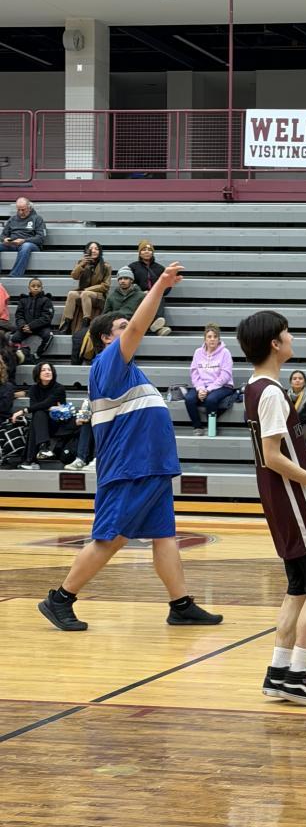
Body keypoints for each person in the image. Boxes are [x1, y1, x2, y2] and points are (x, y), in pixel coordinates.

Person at [36, 261, 224, 632]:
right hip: (130, 468)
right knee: (110, 538)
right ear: (107, 338)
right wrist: (160, 287)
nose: (130, 329)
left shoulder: (130, 371)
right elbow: (138, 325)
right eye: (121, 327)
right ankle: (60, 599)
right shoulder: (108, 362)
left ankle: (181, 605)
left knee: (164, 537)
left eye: (126, 326)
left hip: (151, 466)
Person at [237, 309, 306, 708]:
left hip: (283, 499)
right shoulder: (269, 392)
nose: (292, 338)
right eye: (287, 333)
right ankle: (298, 677)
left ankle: (278, 672)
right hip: (295, 499)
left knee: (298, 588)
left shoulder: (256, 387)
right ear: (274, 343)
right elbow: (271, 456)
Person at [18, 360, 71, 468]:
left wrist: (23, 411)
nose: (47, 372)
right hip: (41, 423)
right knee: (38, 414)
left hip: (57, 423)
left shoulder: (59, 388)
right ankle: (42, 448)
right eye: (43, 370)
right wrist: (49, 408)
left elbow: (45, 403)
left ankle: (30, 459)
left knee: (38, 414)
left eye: (49, 370)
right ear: (38, 374)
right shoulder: (33, 389)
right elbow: (38, 406)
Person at [184, 324, 236, 433]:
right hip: (203, 386)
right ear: (205, 339)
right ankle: (197, 427)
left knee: (211, 399)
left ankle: (212, 428)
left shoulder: (225, 353)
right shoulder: (198, 352)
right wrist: (200, 388)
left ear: (218, 339)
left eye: (215, 336)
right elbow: (194, 373)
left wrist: (208, 390)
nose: (212, 339)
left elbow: (225, 375)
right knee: (189, 399)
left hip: (223, 386)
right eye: (209, 336)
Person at [58, 241, 110, 332]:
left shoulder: (106, 266)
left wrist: (88, 289)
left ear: (100, 252)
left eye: (96, 249)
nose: (93, 251)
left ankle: (86, 322)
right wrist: (82, 264)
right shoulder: (82, 263)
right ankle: (66, 323)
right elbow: (74, 276)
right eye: (91, 249)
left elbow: (105, 286)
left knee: (85, 294)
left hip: (99, 295)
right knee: (71, 294)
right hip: (83, 292)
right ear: (86, 251)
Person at [129, 240, 172, 335]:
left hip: (156, 295)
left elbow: (167, 285)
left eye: (149, 250)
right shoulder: (133, 267)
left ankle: (158, 323)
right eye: (144, 250)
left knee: (159, 296)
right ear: (139, 253)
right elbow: (129, 283)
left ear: (152, 253)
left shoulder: (160, 268)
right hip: (139, 295)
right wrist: (140, 292)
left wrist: (158, 291)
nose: (147, 252)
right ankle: (159, 327)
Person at [1, 196, 47, 278]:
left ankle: (15, 275)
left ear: (29, 208)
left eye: (23, 210)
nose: (20, 212)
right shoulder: (12, 219)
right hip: (13, 243)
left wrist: (24, 240)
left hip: (30, 244)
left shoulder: (37, 219)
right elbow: (3, 235)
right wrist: (5, 239)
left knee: (26, 246)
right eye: (18, 209)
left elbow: (40, 238)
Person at [11, 277, 54, 359]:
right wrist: (23, 326)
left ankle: (37, 354)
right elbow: (19, 315)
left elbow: (47, 317)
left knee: (49, 336)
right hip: (25, 327)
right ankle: (22, 354)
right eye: (33, 286)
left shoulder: (46, 300)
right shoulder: (23, 300)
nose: (36, 288)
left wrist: (31, 326)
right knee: (14, 338)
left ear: (42, 288)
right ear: (29, 288)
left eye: (38, 286)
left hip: (41, 327)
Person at [287, 369, 306, 441]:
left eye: (300, 378)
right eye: (294, 379)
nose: (297, 380)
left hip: (305, 425)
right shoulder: (285, 396)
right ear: (291, 382)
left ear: (305, 382)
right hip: (288, 425)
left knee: (296, 436)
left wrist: (291, 424)